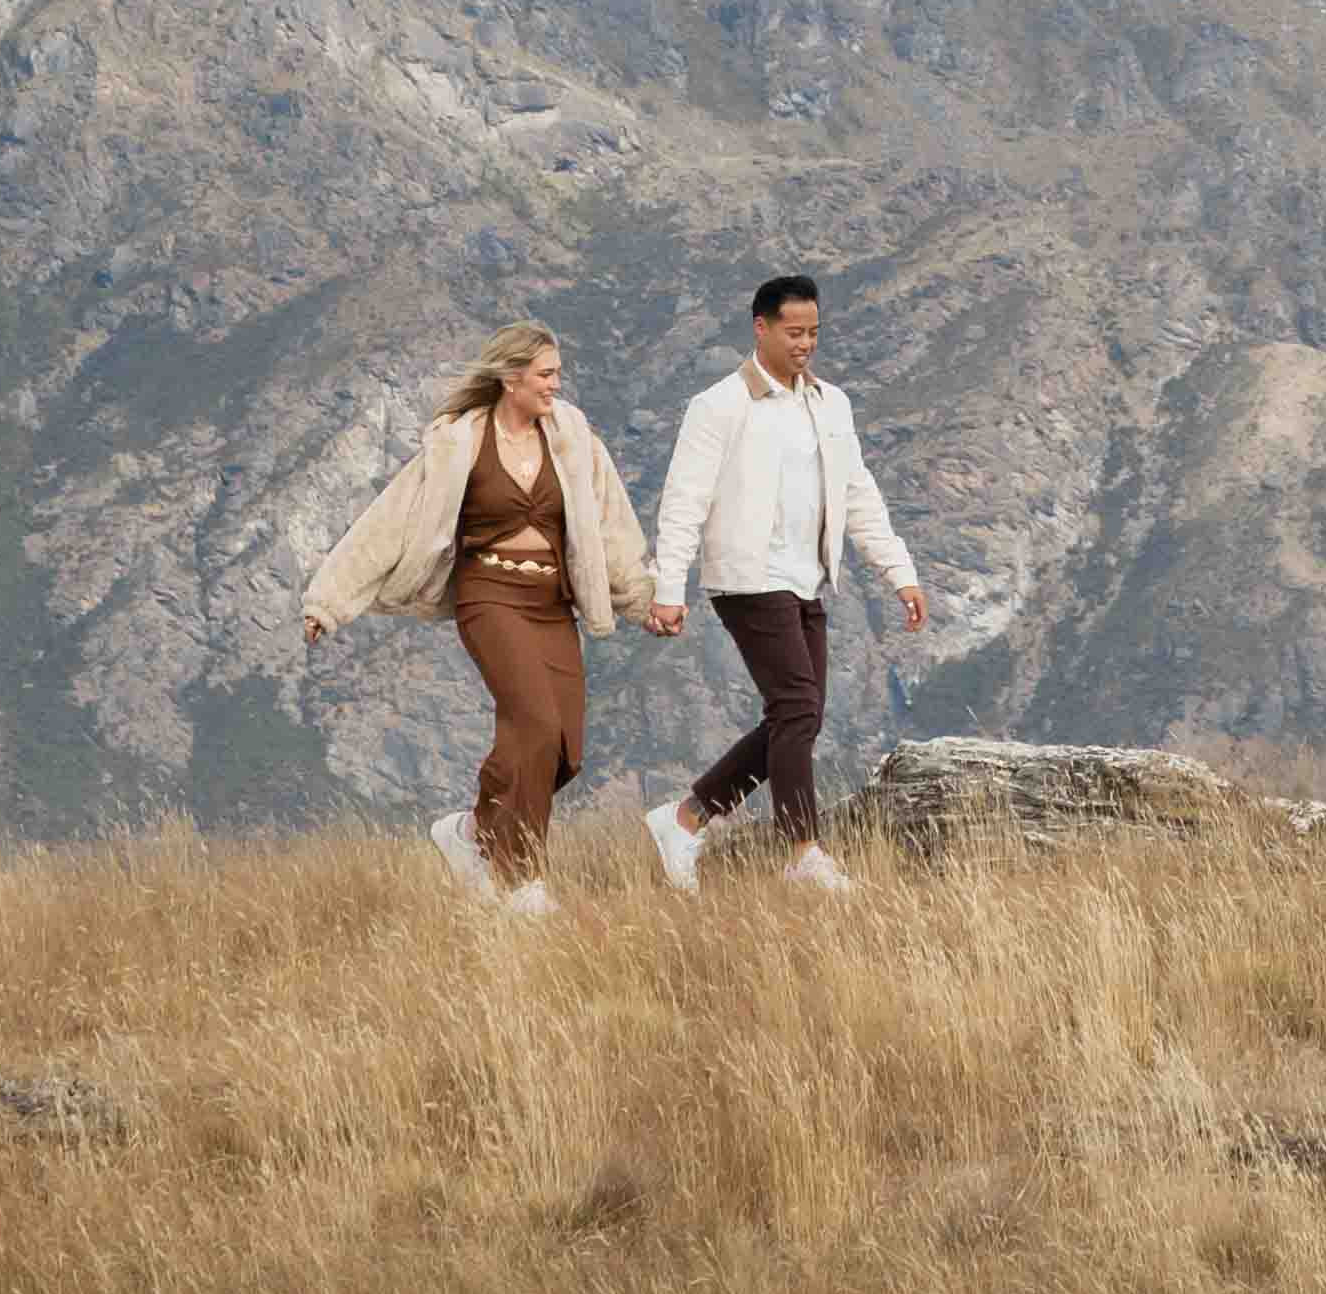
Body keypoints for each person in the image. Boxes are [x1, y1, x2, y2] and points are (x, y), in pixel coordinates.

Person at [294, 321, 675, 918]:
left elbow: (611, 525)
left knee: (563, 749)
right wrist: (329, 601)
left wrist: (641, 600)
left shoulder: (572, 437)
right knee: (534, 719)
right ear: (511, 376)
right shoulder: (460, 441)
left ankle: (472, 832)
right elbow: (389, 518)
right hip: (488, 594)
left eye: (557, 373)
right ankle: (522, 880)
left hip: (551, 605)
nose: (556, 384)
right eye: (546, 374)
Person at [639, 271, 927, 895]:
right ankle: (804, 852)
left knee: (797, 717)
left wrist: (899, 572)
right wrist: (669, 586)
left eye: (814, 333)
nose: (805, 344)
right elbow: (683, 501)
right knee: (797, 708)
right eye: (793, 332)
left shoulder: (830, 404)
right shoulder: (719, 406)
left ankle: (686, 818)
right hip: (746, 579)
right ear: (761, 327)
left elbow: (858, 494)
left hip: (806, 578)